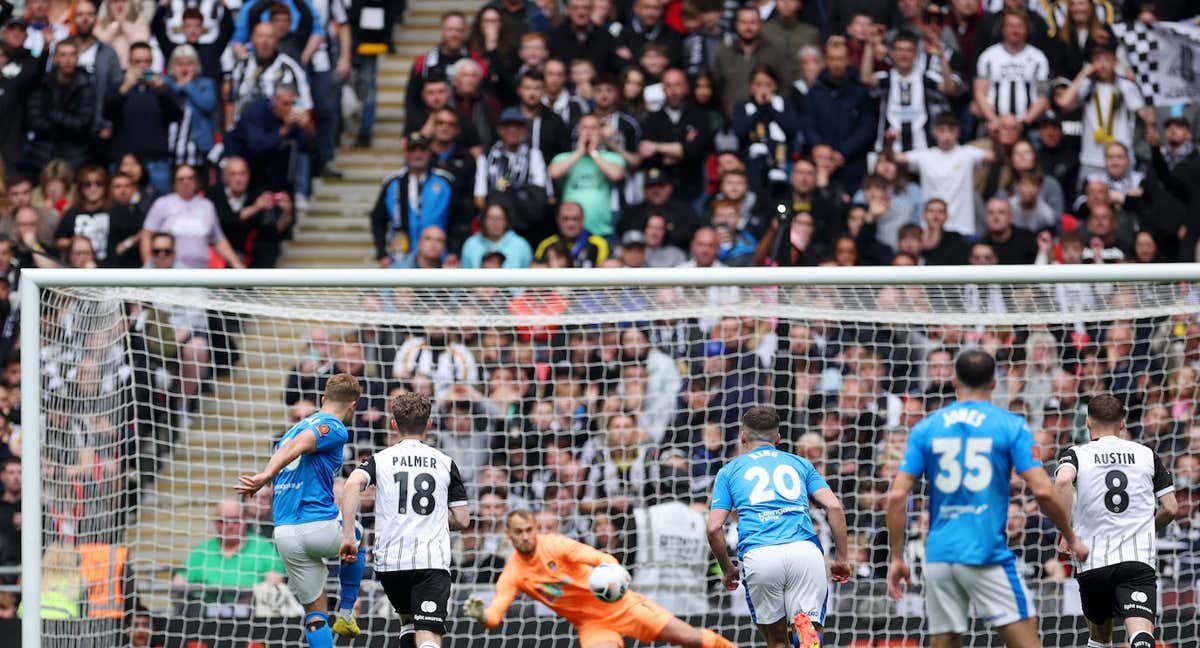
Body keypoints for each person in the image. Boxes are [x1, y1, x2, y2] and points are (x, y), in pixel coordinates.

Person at [886, 349, 1089, 648]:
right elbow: (1043, 490)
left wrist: (897, 556)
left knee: (946, 641)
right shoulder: (1010, 424)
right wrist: (1071, 536)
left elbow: (896, 496)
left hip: (940, 554)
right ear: (995, 383)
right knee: (1027, 636)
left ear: (954, 381)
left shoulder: (926, 427)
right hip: (986, 552)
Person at [463, 509, 737, 648]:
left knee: (688, 638)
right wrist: (481, 616)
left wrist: (613, 573)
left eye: (529, 530)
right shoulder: (513, 574)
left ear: (535, 528)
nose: (525, 536)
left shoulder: (555, 545)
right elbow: (495, 617)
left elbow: (602, 558)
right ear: (508, 534)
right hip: (592, 624)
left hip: (622, 605)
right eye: (519, 532)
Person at [234, 373, 367, 643]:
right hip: (317, 524)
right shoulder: (334, 426)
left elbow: (294, 444)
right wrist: (265, 475)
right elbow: (302, 445)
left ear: (323, 399)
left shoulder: (289, 432)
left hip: (284, 534)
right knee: (358, 536)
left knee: (315, 614)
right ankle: (347, 612)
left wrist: (269, 473)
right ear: (353, 405)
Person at [706, 405, 851, 648]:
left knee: (776, 641)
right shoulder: (800, 464)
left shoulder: (728, 472)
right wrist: (842, 558)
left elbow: (713, 528)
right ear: (778, 438)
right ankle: (805, 635)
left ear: (743, 438)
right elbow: (834, 508)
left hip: (761, 554)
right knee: (807, 628)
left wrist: (728, 568)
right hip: (804, 552)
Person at [340, 393, 471, 648]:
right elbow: (463, 519)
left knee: (409, 624)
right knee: (429, 635)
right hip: (430, 562)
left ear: (394, 424)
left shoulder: (380, 460)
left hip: (391, 564)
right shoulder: (446, 463)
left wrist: (348, 536)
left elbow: (353, 483)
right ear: (430, 423)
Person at [1054, 394, 1179, 648]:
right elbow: (1172, 508)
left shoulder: (1076, 454)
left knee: (1099, 639)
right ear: (1123, 423)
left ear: (1088, 422)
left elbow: (1063, 481)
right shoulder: (1146, 454)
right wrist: (1148, 528)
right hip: (1137, 560)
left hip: (1093, 560)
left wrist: (1067, 534)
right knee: (1142, 635)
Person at [888, 112, 993, 238]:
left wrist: (995, 137)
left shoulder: (967, 154)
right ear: (934, 132)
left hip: (963, 227)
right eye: (942, 130)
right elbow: (895, 158)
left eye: (951, 130)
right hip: (930, 229)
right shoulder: (925, 156)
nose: (946, 135)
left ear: (957, 132)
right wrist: (889, 143)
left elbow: (995, 157)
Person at [106, 41, 184, 195]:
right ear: (129, 62)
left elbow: (177, 115)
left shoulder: (162, 86)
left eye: (147, 61)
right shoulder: (118, 84)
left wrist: (161, 91)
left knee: (161, 208)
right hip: (124, 161)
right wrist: (124, 89)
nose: (143, 66)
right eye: (137, 61)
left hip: (156, 160)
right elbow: (107, 114)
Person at [173, 499, 286, 604]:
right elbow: (178, 583)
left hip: (253, 614)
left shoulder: (262, 547)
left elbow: (275, 580)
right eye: (223, 521)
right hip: (209, 615)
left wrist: (250, 600)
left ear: (245, 520)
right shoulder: (203, 551)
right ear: (215, 522)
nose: (230, 525)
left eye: (235, 520)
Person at [370, 133, 455, 267]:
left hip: (439, 257)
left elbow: (457, 220)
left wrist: (454, 251)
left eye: (422, 150)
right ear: (406, 153)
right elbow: (377, 220)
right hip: (402, 257)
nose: (418, 154)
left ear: (429, 152)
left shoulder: (445, 182)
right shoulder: (392, 183)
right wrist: (382, 253)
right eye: (413, 150)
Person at [139, 165, 246, 270]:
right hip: (171, 273)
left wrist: (238, 266)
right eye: (181, 179)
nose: (186, 182)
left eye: (190, 178)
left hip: (200, 272)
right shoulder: (162, 203)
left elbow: (218, 240)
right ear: (174, 183)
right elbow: (147, 235)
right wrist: (149, 267)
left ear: (197, 181)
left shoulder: (207, 205)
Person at [548, 114, 626, 239]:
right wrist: (579, 152)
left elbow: (616, 175)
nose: (589, 132)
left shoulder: (612, 158)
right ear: (578, 131)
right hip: (570, 229)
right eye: (584, 128)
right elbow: (553, 173)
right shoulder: (563, 157)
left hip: (602, 230)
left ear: (601, 132)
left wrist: (593, 153)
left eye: (593, 128)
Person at [973, 9, 1049, 131]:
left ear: (1026, 30)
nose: (1015, 30)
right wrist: (995, 121)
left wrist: (1023, 123)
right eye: (1011, 26)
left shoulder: (1039, 58)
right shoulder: (988, 56)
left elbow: (1042, 95)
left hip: (1028, 127)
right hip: (993, 126)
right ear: (1003, 29)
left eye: (1019, 26)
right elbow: (980, 93)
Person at [534, 201, 609, 267]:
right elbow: (533, 268)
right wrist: (550, 266)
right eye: (565, 219)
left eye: (575, 219)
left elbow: (607, 269)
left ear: (583, 219)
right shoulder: (547, 245)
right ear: (557, 220)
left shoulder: (598, 243)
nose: (570, 224)